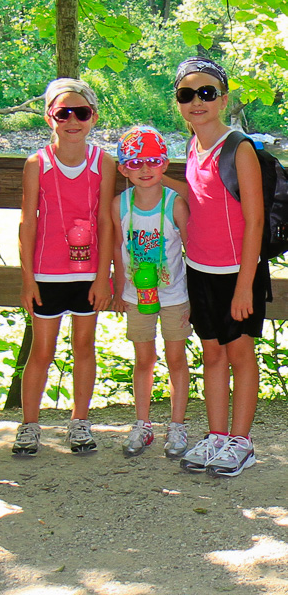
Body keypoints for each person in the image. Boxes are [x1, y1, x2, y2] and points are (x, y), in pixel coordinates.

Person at [171, 57, 265, 477]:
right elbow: (197, 198)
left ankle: (241, 442)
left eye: (207, 93)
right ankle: (216, 436)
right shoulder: (194, 146)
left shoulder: (238, 147)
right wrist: (150, 179)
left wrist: (245, 285)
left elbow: (256, 219)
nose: (197, 101)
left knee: (240, 353)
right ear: (178, 103)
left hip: (237, 273)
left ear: (223, 99)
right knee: (212, 353)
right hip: (201, 270)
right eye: (187, 94)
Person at [14, 78, 116, 456]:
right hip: (46, 273)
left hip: (87, 273)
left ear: (93, 117)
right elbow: (28, 223)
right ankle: (29, 425)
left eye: (82, 113)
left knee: (84, 345)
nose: (72, 120)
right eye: (63, 113)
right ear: (49, 117)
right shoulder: (35, 163)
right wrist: (27, 280)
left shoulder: (103, 162)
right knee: (42, 350)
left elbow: (106, 220)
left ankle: (80, 421)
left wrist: (104, 276)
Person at [111, 126, 191, 459]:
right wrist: (118, 290)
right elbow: (117, 249)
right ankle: (142, 424)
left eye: (153, 162)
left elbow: (192, 249)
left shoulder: (175, 204)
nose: (144, 170)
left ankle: (177, 425)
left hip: (174, 297)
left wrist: (196, 299)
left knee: (176, 358)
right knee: (143, 359)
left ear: (165, 165)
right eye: (135, 163)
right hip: (135, 295)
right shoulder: (120, 204)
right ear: (123, 168)